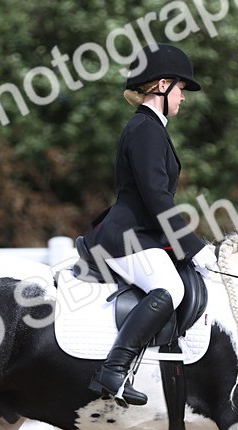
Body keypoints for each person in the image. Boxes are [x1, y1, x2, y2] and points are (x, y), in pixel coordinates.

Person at [84, 43, 217, 407]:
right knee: (169, 287)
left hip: (142, 236)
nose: (184, 98)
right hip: (126, 237)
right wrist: (194, 247)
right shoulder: (145, 129)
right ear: (161, 86)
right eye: (181, 89)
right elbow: (158, 198)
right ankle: (114, 370)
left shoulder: (152, 128)